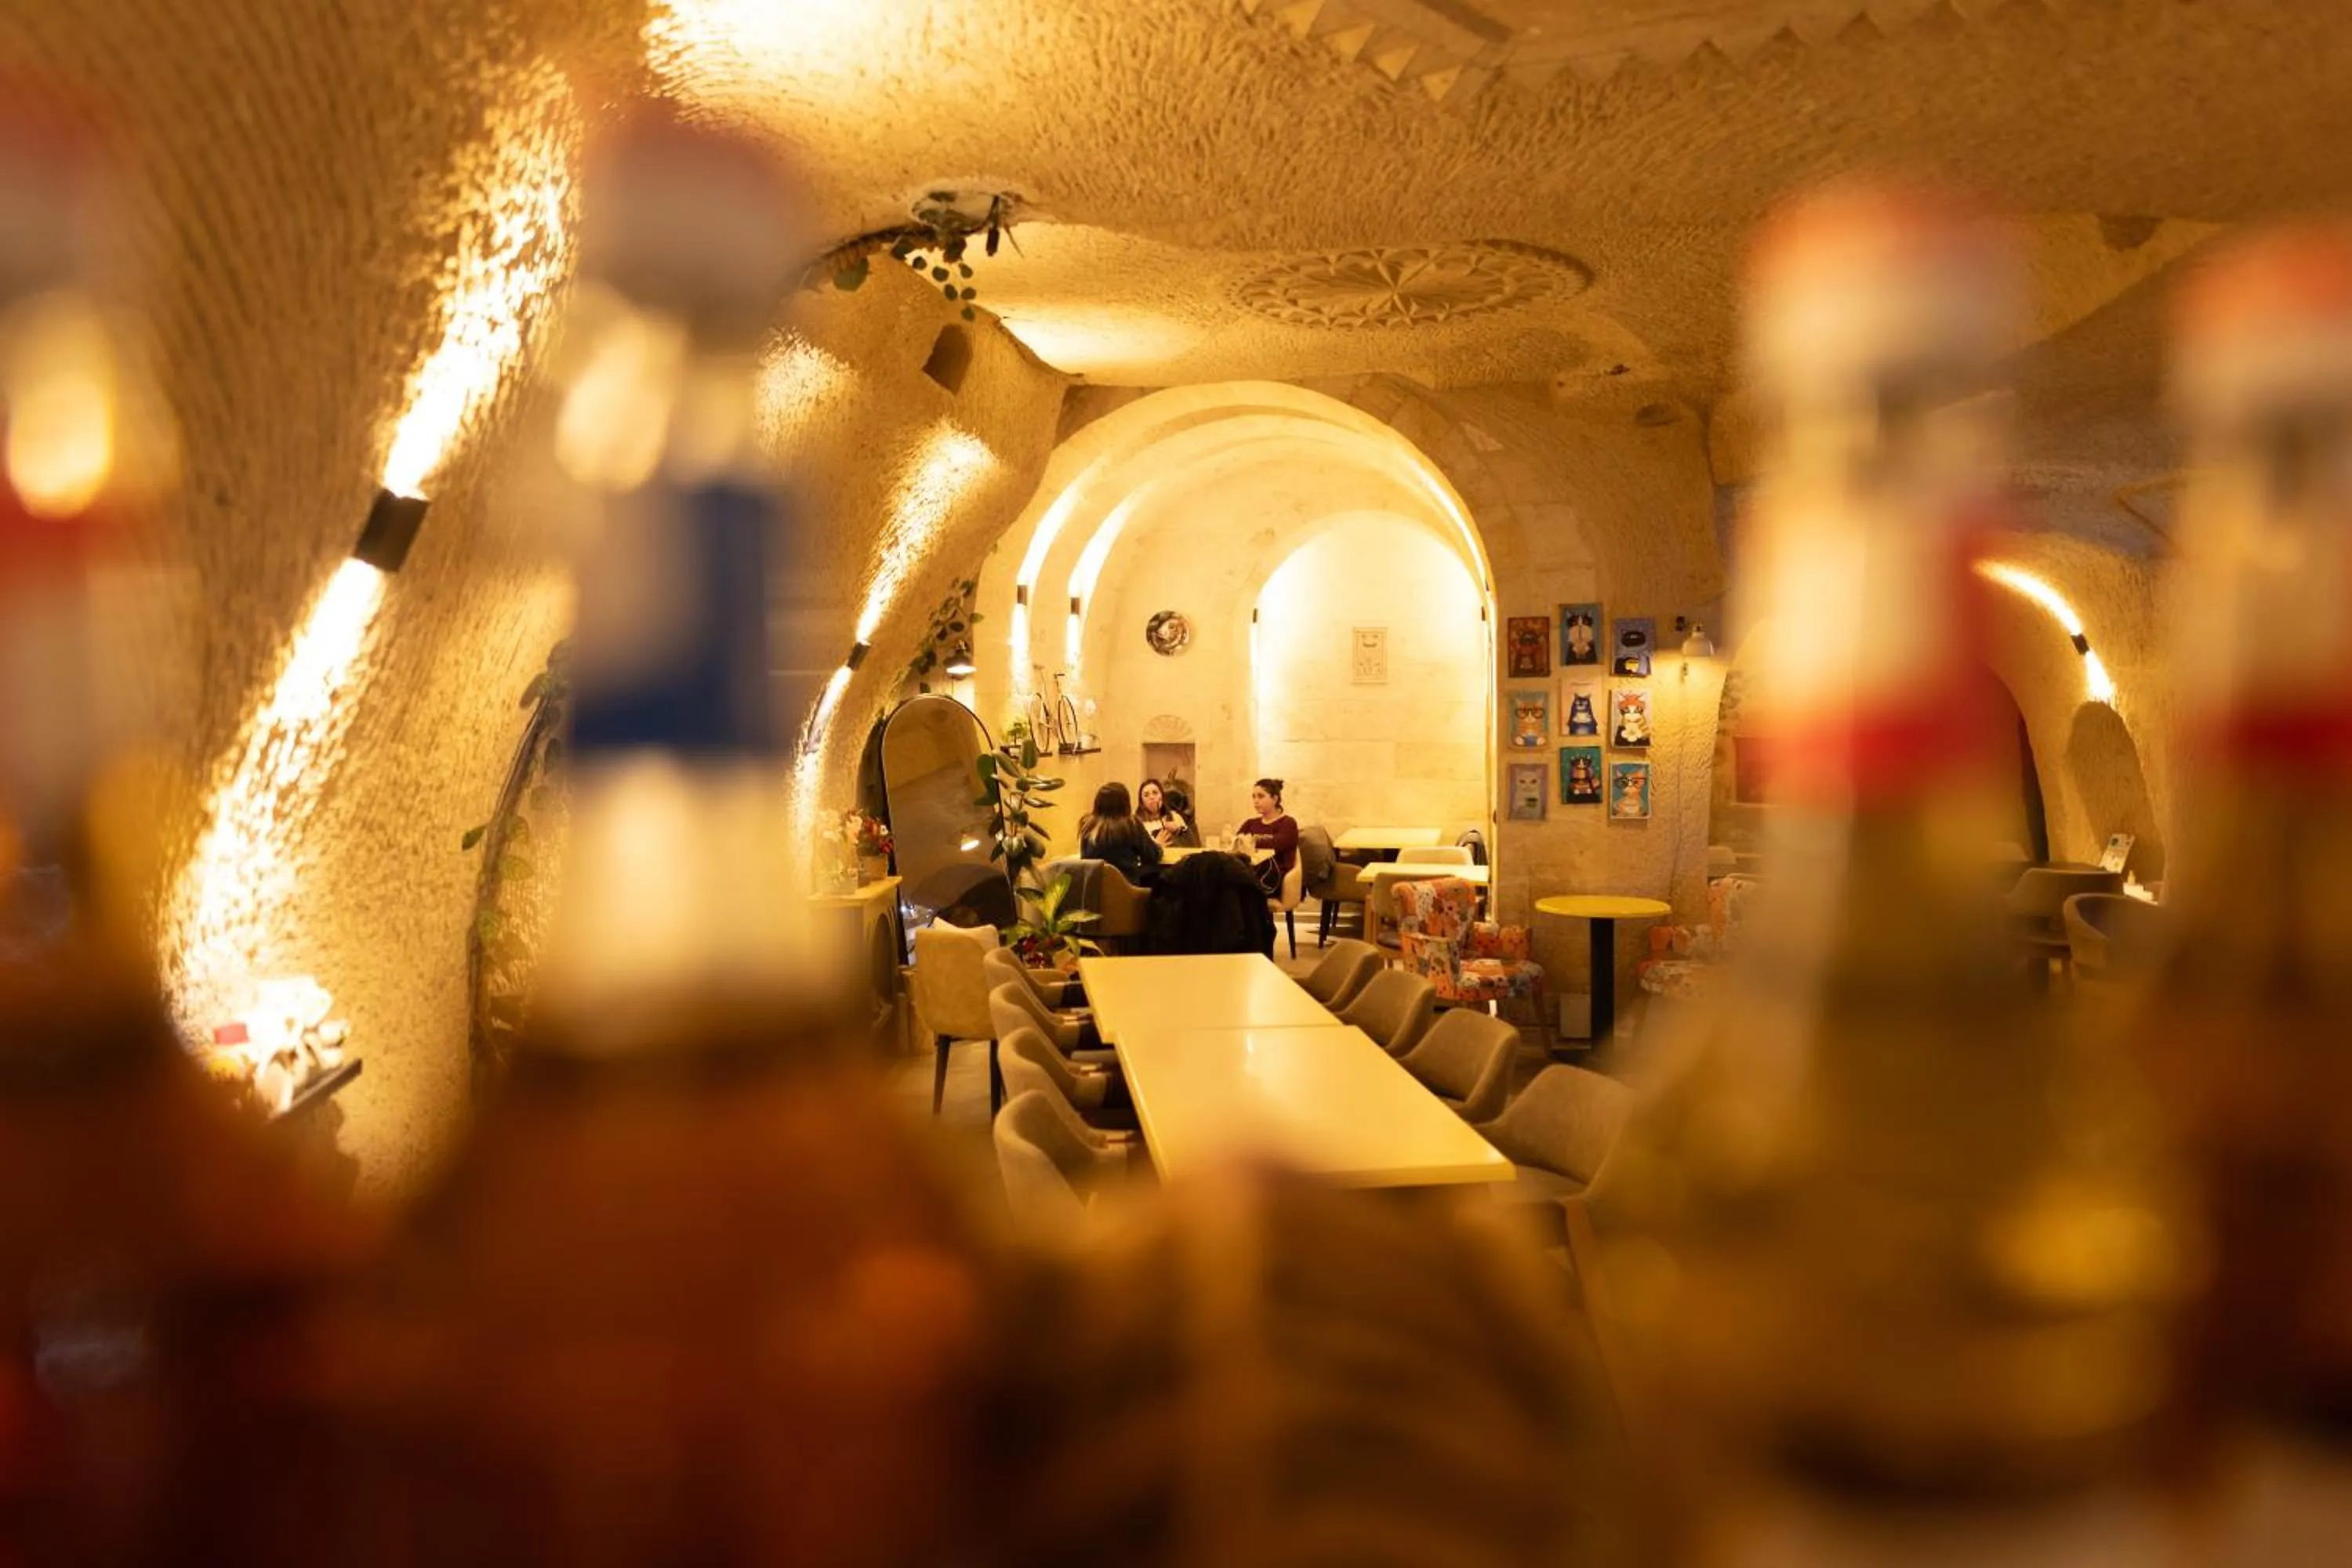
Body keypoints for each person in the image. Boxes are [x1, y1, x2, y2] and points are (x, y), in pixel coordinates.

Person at [1080, 781, 1163, 887]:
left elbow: (1084, 859)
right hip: (1127, 892)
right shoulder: (1130, 825)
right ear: (1125, 803)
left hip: (1095, 893)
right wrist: (1159, 845)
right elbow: (1152, 856)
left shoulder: (1087, 826)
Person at [1233, 778, 1299, 894]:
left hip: (1274, 876)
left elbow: (1276, 844)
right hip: (1249, 871)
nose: (1256, 801)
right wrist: (1247, 842)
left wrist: (1251, 841)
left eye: (1261, 796)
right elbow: (1237, 844)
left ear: (1275, 799)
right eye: (1253, 797)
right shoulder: (1250, 823)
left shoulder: (1288, 823)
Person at [1137, 779, 1193, 849]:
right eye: (1146, 795)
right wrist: (1156, 845)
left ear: (1162, 797)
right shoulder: (1137, 824)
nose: (1151, 797)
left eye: (1155, 793)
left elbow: (1192, 844)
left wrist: (1179, 830)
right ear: (1142, 802)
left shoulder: (1175, 817)